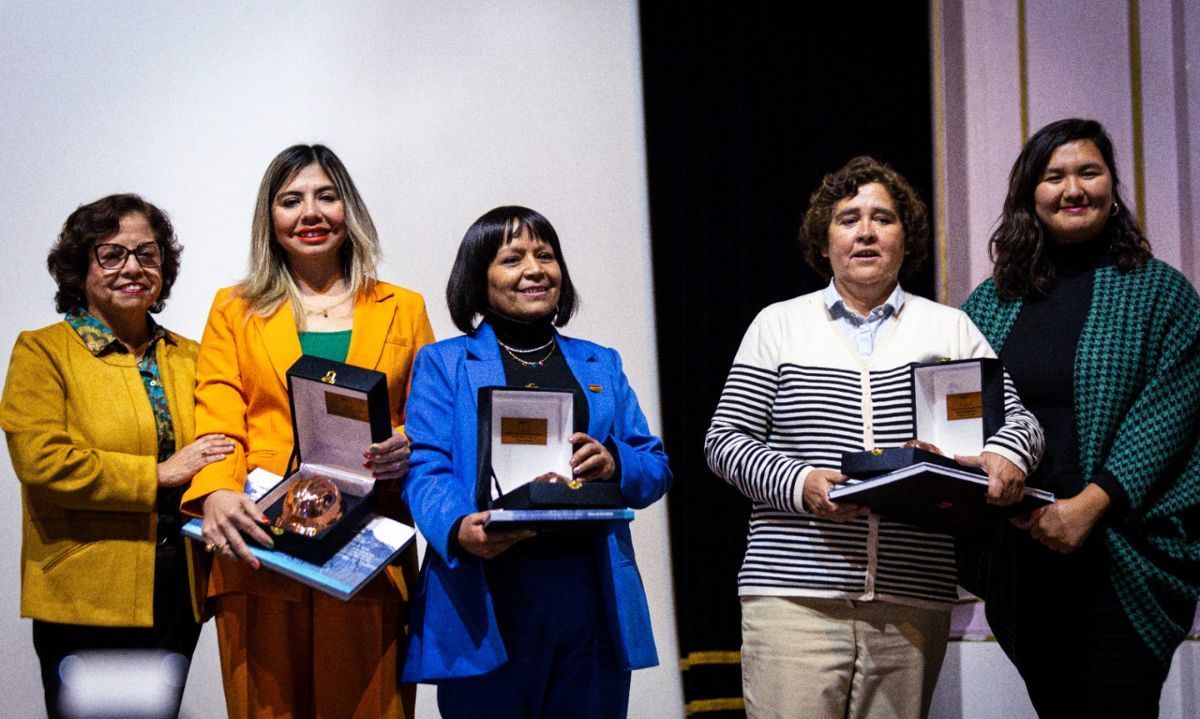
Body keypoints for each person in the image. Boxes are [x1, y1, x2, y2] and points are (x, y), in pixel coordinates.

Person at [705, 156, 1044, 719]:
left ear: (905, 239)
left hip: (913, 599)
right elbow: (725, 440)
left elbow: (1020, 422)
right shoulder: (778, 324)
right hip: (795, 599)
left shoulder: (949, 328)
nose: (865, 231)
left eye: (883, 218)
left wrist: (1003, 455)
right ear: (825, 238)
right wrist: (802, 483)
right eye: (848, 218)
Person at [179, 145, 435, 719]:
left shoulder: (405, 307)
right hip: (258, 541)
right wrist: (218, 492)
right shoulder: (234, 308)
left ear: (349, 209)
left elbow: (430, 419)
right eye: (291, 200)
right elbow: (218, 411)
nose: (310, 213)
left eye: (326, 196)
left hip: (368, 544)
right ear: (270, 219)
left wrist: (409, 443)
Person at [958, 118, 1200, 718]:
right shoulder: (990, 302)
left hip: (1121, 558)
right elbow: (964, 407)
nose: (1073, 189)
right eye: (1054, 176)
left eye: (1088, 172)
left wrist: (1088, 506)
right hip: (1025, 562)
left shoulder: (1160, 293)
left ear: (1112, 187)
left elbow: (1169, 415)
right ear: (1029, 196)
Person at [399, 206, 671, 718]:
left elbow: (654, 465)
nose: (534, 269)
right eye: (512, 258)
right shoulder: (444, 362)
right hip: (488, 599)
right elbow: (425, 467)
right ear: (478, 277)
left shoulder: (600, 361)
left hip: (592, 603)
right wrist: (459, 529)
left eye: (546, 256)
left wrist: (615, 462)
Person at [0, 194, 233, 718]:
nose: (133, 267)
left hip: (179, 588)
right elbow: (43, 461)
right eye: (111, 254)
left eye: (147, 254)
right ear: (80, 267)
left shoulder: (193, 357)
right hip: (88, 590)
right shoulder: (42, 352)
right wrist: (158, 474)